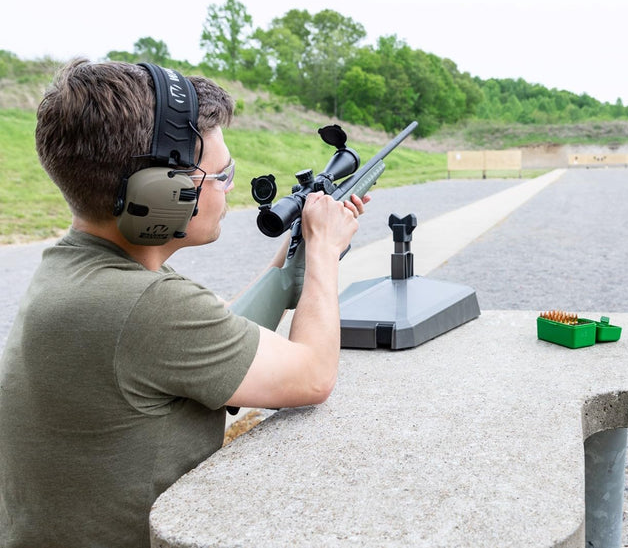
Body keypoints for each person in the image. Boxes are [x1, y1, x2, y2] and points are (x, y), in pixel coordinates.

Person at [0, 59, 367, 546]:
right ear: (164, 191)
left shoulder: (76, 272)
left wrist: (292, 260)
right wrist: (323, 253)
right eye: (222, 174)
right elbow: (314, 375)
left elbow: (217, 342)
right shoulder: (147, 303)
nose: (231, 187)